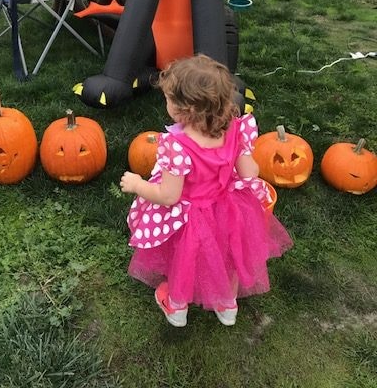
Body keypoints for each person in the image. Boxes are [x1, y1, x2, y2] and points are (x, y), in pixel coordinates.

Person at [120, 55, 293, 328]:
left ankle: (176, 307)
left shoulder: (176, 146)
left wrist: (137, 185)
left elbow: (169, 196)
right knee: (227, 255)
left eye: (168, 99)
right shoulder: (235, 129)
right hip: (228, 208)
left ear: (184, 110)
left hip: (191, 215)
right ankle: (227, 306)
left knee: (184, 259)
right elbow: (250, 173)